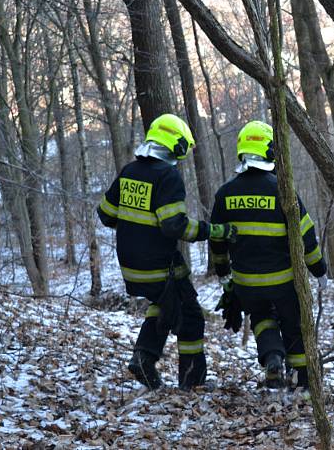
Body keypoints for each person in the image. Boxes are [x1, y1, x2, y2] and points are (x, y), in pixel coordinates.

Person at [97, 114, 237, 390]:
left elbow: (105, 215)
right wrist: (214, 231)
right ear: (175, 145)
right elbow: (175, 226)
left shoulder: (129, 171)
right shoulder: (167, 176)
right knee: (192, 317)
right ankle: (190, 381)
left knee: (164, 304)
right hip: (158, 265)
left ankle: (143, 358)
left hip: (130, 264)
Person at [209, 120, 327, 396]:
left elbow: (217, 239)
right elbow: (306, 237)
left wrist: (223, 272)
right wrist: (319, 270)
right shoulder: (282, 191)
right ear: (270, 151)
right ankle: (305, 382)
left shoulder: (225, 193)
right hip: (283, 281)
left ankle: (273, 360)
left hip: (246, 282)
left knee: (262, 318)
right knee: (294, 324)